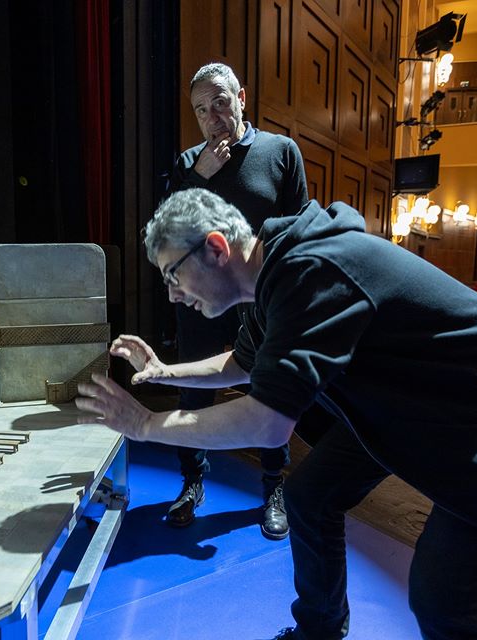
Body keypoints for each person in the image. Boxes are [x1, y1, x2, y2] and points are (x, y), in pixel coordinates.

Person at [76, 188, 477, 639]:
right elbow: (244, 364)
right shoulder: (268, 280)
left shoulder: (309, 271)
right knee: (310, 498)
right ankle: (320, 630)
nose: (172, 293)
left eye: (173, 273)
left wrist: (145, 424)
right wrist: (166, 372)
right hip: (407, 405)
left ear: (215, 248)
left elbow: (266, 424)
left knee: (444, 601)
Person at [165, 62, 309, 538]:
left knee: (267, 391)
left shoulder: (280, 152)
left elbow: (299, 231)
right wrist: (198, 177)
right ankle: (192, 481)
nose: (212, 117)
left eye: (220, 102)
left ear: (241, 98)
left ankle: (273, 487)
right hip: (204, 299)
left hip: (261, 300)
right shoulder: (188, 163)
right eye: (201, 110)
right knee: (194, 389)